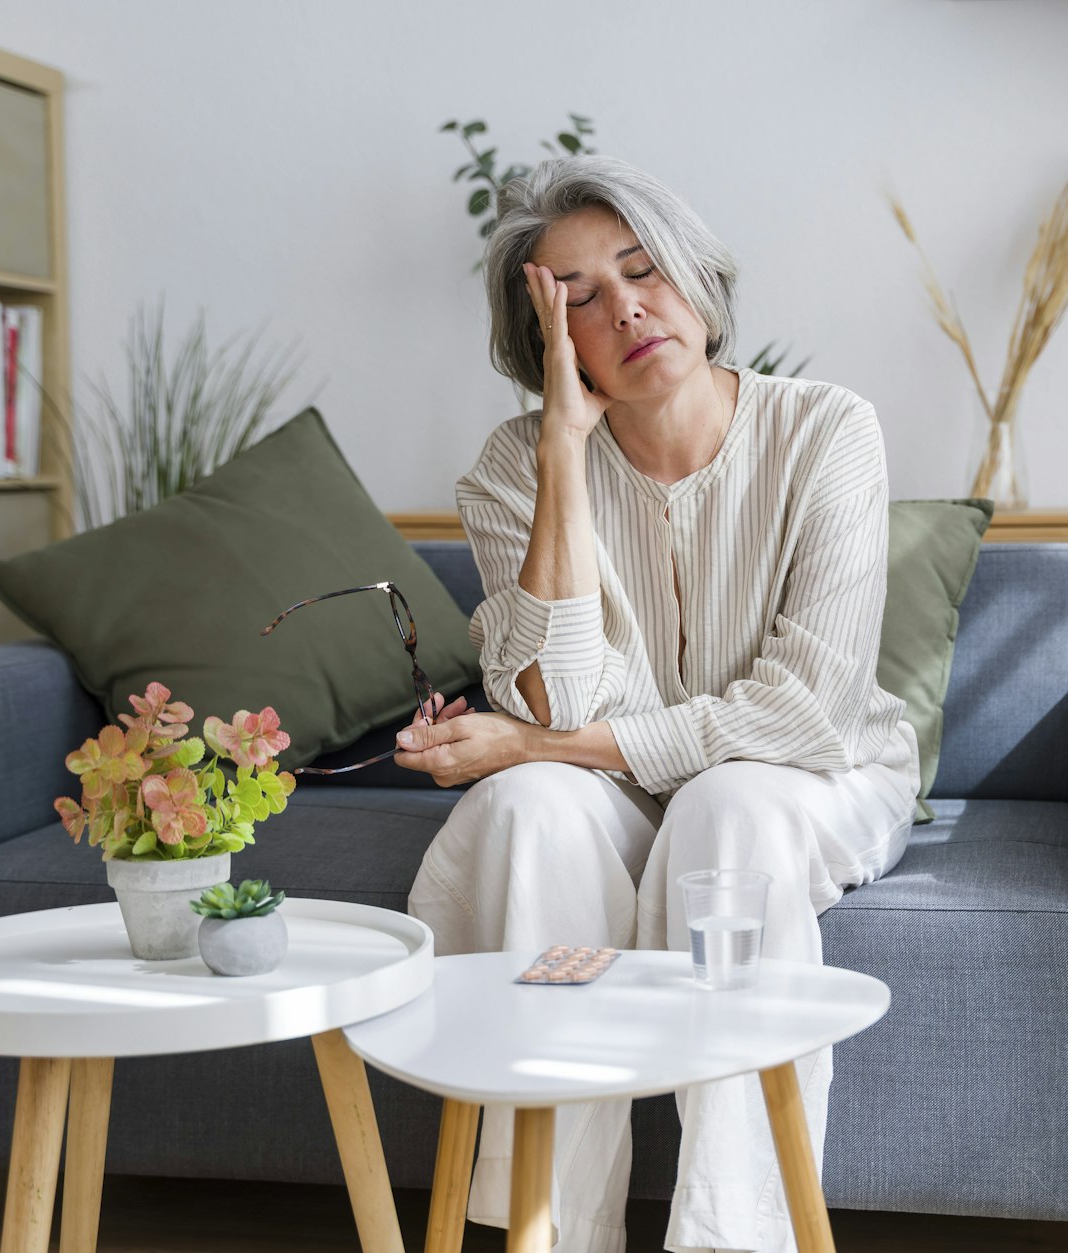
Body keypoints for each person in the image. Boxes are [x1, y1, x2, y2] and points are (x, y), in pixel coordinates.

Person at [392, 154, 919, 1253]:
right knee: (527, 806)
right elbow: (558, 692)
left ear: (695, 276)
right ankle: (551, 1231)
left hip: (816, 777)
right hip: (621, 787)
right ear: (548, 345)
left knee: (728, 805)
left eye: (643, 270)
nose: (627, 308)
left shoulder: (827, 429)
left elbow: (803, 714)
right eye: (579, 299)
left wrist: (532, 741)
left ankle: (734, 1237)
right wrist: (562, 453)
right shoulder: (513, 468)